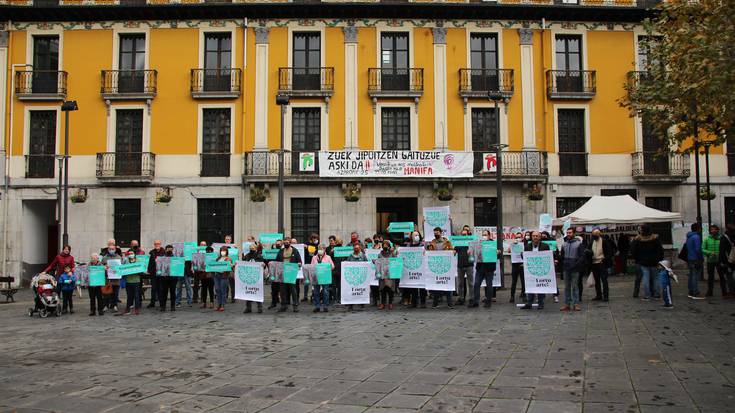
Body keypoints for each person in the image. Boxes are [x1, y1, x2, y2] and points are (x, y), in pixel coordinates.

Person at [630, 224, 663, 300]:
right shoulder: (655, 238)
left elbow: (633, 250)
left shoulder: (638, 239)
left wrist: (637, 259)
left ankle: (647, 295)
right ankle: (657, 294)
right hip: (654, 261)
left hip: (643, 261)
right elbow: (660, 250)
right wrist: (659, 259)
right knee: (655, 278)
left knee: (645, 278)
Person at [521, 231, 551, 310]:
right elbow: (524, 257)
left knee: (540, 286)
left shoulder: (545, 246)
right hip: (530, 269)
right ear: (531, 237)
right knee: (530, 286)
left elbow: (548, 257)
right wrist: (522, 254)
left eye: (537, 236)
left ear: (540, 237)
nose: (535, 237)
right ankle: (529, 303)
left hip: (541, 269)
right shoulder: (527, 246)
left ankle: (540, 303)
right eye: (533, 236)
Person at [426, 227, 454, 309]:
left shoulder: (447, 242)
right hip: (436, 266)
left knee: (448, 285)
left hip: (446, 266)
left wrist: (453, 252)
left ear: (441, 233)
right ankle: (435, 303)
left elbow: (452, 251)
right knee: (436, 285)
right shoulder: (432, 243)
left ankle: (450, 303)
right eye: (434, 233)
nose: (436, 234)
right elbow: (429, 253)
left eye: (437, 232)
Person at [471, 230, 498, 309]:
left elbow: (498, 256)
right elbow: (475, 254)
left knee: (489, 285)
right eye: (483, 235)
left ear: (489, 236)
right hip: (480, 267)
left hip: (489, 268)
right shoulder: (479, 244)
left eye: (485, 235)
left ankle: (488, 301)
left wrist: (497, 253)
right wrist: (471, 252)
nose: (484, 236)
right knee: (476, 284)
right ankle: (476, 301)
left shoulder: (493, 244)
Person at [560, 228, 585, 312]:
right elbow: (562, 256)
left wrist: (576, 264)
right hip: (566, 268)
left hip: (575, 268)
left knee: (575, 287)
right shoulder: (564, 244)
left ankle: (576, 304)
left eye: (570, 233)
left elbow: (582, 256)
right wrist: (563, 264)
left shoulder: (578, 244)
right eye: (567, 233)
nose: (568, 234)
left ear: (574, 233)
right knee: (567, 287)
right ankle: (567, 304)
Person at [588, 229, 614, 302]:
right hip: (594, 263)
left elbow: (609, 253)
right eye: (593, 234)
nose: (594, 236)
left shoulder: (604, 241)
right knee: (597, 281)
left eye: (595, 234)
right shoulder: (592, 241)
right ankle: (598, 295)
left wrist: (604, 260)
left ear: (599, 234)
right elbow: (589, 250)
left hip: (602, 263)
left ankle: (606, 296)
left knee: (604, 280)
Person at [276, 239, 302, 313]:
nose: (286, 244)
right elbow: (277, 261)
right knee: (282, 290)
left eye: (287, 243)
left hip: (291, 272)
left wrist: (299, 264)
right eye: (285, 243)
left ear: (290, 243)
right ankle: (283, 305)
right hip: (282, 272)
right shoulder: (281, 251)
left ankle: (295, 305)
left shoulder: (295, 251)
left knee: (293, 289)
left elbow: (299, 261)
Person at [702, 224, 728, 297]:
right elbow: (703, 249)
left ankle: (724, 292)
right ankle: (710, 292)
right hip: (710, 261)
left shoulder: (721, 238)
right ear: (710, 231)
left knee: (722, 276)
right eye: (711, 229)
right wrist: (709, 253)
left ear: (717, 230)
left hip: (720, 260)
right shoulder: (706, 239)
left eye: (714, 229)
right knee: (710, 277)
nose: (713, 231)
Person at [404, 230, 427, 308]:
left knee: (422, 287)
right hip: (412, 268)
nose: (416, 236)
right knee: (413, 287)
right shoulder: (408, 246)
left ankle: (423, 302)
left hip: (421, 268)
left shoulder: (423, 246)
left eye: (417, 235)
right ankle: (414, 303)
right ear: (411, 237)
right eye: (414, 235)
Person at [455, 227, 475, 306]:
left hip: (469, 264)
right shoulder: (458, 243)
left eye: (465, 234)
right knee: (460, 283)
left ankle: (471, 298)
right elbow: (455, 249)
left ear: (468, 235)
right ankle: (461, 298)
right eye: (462, 234)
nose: (463, 236)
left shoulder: (471, 242)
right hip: (460, 265)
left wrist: (471, 250)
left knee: (470, 283)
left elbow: (476, 250)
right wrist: (453, 251)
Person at [242, 243, 265, 314]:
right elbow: (242, 264)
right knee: (248, 292)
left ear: (256, 249)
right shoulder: (247, 256)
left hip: (257, 277)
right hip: (248, 277)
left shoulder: (259, 256)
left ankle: (260, 307)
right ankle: (248, 307)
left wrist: (263, 265)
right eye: (250, 248)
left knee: (257, 291)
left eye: (253, 248)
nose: (252, 249)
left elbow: (263, 265)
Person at [310, 244, 334, 312]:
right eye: (319, 249)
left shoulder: (328, 257)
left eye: (322, 249)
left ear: (324, 249)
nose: (320, 250)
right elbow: (311, 267)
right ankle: (317, 306)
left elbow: (332, 266)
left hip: (325, 277)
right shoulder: (314, 257)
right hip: (316, 277)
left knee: (325, 291)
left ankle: (325, 305)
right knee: (316, 292)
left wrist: (325, 266)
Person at [101, 239, 123, 311]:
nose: (111, 250)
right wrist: (104, 267)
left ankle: (114, 305)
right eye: (110, 249)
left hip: (116, 279)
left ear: (115, 249)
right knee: (106, 293)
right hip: (108, 278)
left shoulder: (119, 257)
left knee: (115, 293)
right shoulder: (104, 258)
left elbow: (122, 267)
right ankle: (105, 305)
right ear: (108, 249)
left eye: (113, 249)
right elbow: (101, 266)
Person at [685, 223, 705, 299]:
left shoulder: (689, 237)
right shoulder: (696, 237)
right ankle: (695, 292)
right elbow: (698, 249)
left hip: (690, 258)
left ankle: (690, 290)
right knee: (695, 276)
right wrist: (701, 258)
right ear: (698, 229)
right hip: (695, 258)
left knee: (691, 275)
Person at [345, 243, 367, 311]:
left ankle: (362, 304)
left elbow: (366, 263)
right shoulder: (350, 256)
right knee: (352, 291)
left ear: (360, 249)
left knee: (360, 290)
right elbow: (347, 264)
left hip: (361, 276)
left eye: (357, 248)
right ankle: (351, 305)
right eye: (355, 248)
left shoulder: (363, 256)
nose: (356, 249)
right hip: (352, 276)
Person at [376, 240, 396, 310]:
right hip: (382, 274)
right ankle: (382, 303)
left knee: (390, 289)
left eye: (386, 245)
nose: (385, 247)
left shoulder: (392, 254)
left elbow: (395, 262)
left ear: (389, 246)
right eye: (384, 245)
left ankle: (390, 303)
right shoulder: (380, 254)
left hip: (390, 274)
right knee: (383, 289)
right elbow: (378, 263)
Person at [157, 245, 178, 312]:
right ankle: (163, 307)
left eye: (171, 250)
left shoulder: (176, 258)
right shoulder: (162, 258)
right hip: (164, 278)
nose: (169, 251)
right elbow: (159, 267)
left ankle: (173, 306)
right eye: (168, 250)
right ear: (165, 250)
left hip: (173, 278)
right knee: (164, 293)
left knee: (173, 292)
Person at [147, 240, 166, 308]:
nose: (157, 245)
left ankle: (161, 303)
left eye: (158, 244)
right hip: (153, 273)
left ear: (160, 244)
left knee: (160, 289)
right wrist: (149, 270)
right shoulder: (152, 252)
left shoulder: (164, 252)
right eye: (155, 244)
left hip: (161, 274)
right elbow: (150, 262)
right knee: (153, 289)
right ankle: (152, 302)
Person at [214, 246, 234, 312]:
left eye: (224, 250)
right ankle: (218, 304)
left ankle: (222, 305)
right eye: (222, 250)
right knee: (217, 289)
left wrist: (231, 265)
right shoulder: (218, 259)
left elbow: (231, 266)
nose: (223, 252)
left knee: (223, 290)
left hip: (224, 276)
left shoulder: (228, 258)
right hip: (217, 275)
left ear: (226, 252)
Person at [719, 224, 735, 298]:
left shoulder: (724, 238)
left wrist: (722, 262)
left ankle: (732, 292)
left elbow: (722, 251)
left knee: (729, 276)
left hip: (728, 260)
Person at [509, 232, 525, 304]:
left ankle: (524, 295)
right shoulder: (513, 245)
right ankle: (512, 296)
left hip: (522, 265)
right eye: (517, 237)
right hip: (515, 265)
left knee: (523, 281)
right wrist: (512, 245)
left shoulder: (524, 245)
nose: (518, 238)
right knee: (514, 282)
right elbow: (509, 250)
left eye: (519, 237)